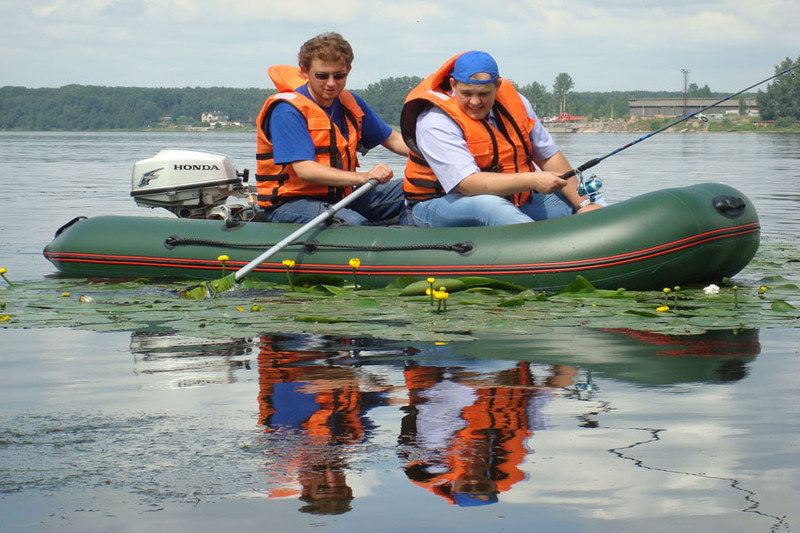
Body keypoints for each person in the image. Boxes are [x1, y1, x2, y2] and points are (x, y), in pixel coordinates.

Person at [401, 50, 605, 227]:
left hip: (513, 199)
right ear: (453, 85)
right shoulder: (435, 121)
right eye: (467, 93)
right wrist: (533, 179)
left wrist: (583, 204)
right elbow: (467, 184)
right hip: (436, 205)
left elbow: (548, 156)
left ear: (497, 86)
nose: (474, 101)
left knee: (585, 194)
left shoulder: (518, 103)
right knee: (488, 206)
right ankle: (544, 254)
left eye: (483, 94)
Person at [256, 32, 409, 226]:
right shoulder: (287, 111)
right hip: (291, 203)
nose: (331, 83)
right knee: (354, 223)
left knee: (415, 189)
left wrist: (434, 156)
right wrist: (363, 177)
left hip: (342, 197)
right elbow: (305, 170)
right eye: (322, 75)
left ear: (348, 70)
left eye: (339, 75)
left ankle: (412, 247)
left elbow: (394, 140)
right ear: (304, 71)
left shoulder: (350, 102)